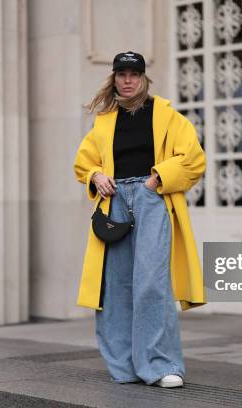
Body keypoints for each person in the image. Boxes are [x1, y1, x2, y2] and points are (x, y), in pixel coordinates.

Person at [73, 51, 206, 388]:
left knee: (152, 282)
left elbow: (192, 159)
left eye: (134, 74)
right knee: (115, 286)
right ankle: (124, 366)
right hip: (114, 199)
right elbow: (83, 163)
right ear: (114, 78)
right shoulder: (104, 121)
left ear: (144, 78)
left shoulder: (166, 115)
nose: (128, 80)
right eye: (121, 74)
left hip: (151, 197)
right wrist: (95, 176)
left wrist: (156, 179)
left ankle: (161, 365)